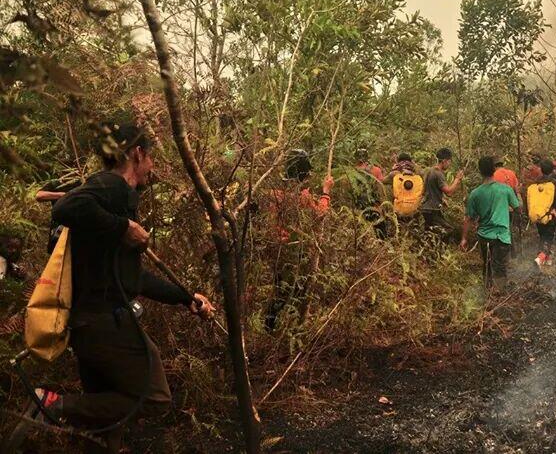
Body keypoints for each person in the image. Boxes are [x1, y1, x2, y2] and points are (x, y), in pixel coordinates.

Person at [10, 122, 215, 453]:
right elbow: (64, 207)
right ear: (137, 154)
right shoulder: (111, 187)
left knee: (108, 412)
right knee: (155, 398)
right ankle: (50, 405)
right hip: (105, 324)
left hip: (89, 324)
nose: (152, 168)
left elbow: (133, 278)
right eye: (151, 159)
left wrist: (184, 297)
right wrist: (123, 227)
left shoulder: (116, 198)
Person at [265, 149, 334, 332]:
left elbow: (270, 223)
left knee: (279, 289)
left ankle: (272, 327)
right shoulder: (301, 197)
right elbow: (320, 213)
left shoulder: (276, 194)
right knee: (295, 291)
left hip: (278, 248)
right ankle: (290, 329)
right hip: (294, 251)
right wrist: (326, 192)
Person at [461, 156, 520, 291]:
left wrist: (464, 238)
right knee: (500, 267)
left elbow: (468, 218)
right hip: (502, 236)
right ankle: (499, 294)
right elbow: (518, 208)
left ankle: (487, 292)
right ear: (494, 169)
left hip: (484, 235)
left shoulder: (475, 194)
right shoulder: (505, 190)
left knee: (487, 264)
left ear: (480, 171)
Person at [419, 147, 464, 236]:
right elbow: (449, 192)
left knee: (431, 231)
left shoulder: (429, 171)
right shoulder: (438, 174)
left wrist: (442, 199)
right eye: (449, 161)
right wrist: (457, 179)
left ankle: (431, 246)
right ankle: (439, 247)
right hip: (433, 209)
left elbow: (425, 191)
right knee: (448, 229)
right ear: (444, 161)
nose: (449, 164)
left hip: (426, 208)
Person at [530, 159, 556, 267]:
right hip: (550, 215)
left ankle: (547, 259)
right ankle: (540, 258)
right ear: (552, 169)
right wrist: (555, 209)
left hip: (537, 214)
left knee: (542, 235)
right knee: (549, 237)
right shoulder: (554, 183)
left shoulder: (536, 183)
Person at [36, 177, 82, 253]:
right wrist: (63, 195)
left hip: (78, 225)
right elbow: (39, 195)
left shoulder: (84, 182)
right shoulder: (56, 183)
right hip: (59, 225)